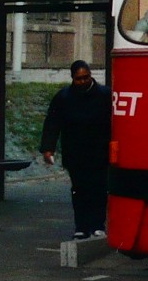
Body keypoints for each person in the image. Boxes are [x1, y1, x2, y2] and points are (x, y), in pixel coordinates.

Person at [40, 61, 112, 240]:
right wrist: (48, 148)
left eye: (86, 77)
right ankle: (81, 226)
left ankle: (97, 225)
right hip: (75, 153)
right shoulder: (63, 97)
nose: (83, 81)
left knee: (99, 188)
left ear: (90, 75)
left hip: (99, 152)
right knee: (79, 190)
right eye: (79, 79)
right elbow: (52, 123)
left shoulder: (105, 95)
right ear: (73, 78)